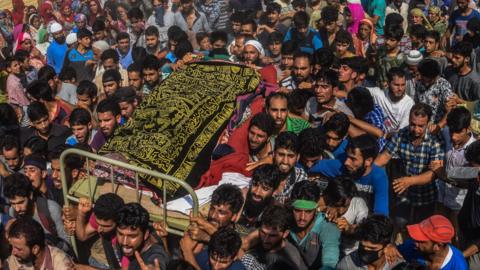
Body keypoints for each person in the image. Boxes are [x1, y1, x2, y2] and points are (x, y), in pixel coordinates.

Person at [375, 103, 445, 224]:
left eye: (420, 126)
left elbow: (433, 173)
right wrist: (368, 169)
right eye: (413, 124)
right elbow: (385, 156)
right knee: (399, 222)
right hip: (404, 193)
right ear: (409, 120)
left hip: (426, 195)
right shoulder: (402, 134)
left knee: (422, 229)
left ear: (428, 123)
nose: (416, 129)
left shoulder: (436, 140)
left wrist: (409, 181)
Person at [311, 134, 389, 216]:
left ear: (368, 161)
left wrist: (353, 227)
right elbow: (309, 165)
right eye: (347, 157)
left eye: (353, 159)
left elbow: (381, 215)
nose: (346, 162)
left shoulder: (379, 177)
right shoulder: (341, 166)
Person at [4, 173, 70, 244]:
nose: (17, 209)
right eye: (13, 204)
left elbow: (67, 243)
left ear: (30, 195)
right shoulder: (13, 212)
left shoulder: (51, 209)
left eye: (21, 202)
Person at [289, 180, 340, 269]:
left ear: (316, 208)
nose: (302, 217)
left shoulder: (328, 227)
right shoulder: (285, 219)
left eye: (308, 211)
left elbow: (330, 262)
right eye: (297, 210)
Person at [241, 204, 307, 269]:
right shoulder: (255, 235)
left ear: (285, 233)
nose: (265, 240)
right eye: (263, 232)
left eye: (272, 236)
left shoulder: (290, 258)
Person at [72, 193, 125, 269]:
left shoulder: (127, 236)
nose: (99, 229)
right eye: (98, 223)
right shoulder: (100, 217)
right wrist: (81, 213)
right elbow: (82, 236)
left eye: (106, 226)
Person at [397, 215, 468, 269]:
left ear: (437, 246)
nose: (415, 243)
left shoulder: (458, 266)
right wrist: (391, 247)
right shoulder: (412, 247)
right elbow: (395, 251)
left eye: (421, 241)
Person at [322, 176, 369, 255]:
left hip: (351, 253)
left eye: (345, 206)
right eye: (336, 205)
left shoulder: (358, 204)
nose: (341, 210)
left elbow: (362, 230)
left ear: (351, 197)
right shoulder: (325, 201)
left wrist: (349, 228)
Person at [337, 215, 404, 269]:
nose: (366, 250)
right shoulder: (348, 264)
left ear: (386, 247)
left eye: (372, 248)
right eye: (362, 246)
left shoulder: (399, 266)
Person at [115, 203, 170, 269]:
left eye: (132, 236)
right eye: (120, 234)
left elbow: (156, 264)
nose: (124, 242)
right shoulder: (129, 246)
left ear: (146, 234)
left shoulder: (157, 253)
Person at [5, 217, 74, 269]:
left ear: (35, 249)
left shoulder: (60, 263)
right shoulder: (15, 259)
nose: (13, 252)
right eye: (12, 246)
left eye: (18, 249)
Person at [368, 67, 414, 135]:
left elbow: (401, 131)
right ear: (388, 83)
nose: (400, 88)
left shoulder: (409, 103)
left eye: (403, 85)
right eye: (396, 85)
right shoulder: (378, 94)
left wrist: (384, 136)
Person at [413, 59, 453, 132]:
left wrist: (439, 125)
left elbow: (450, 110)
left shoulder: (443, 85)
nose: (426, 83)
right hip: (420, 125)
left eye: (429, 81)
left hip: (437, 128)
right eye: (424, 80)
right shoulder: (418, 84)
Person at [238, 164, 281, 231]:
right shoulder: (238, 197)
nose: (257, 192)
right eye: (255, 185)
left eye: (265, 189)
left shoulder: (275, 211)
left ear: (274, 191)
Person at [272, 132, 308, 204]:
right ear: (274, 154)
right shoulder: (263, 173)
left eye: (290, 156)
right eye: (281, 154)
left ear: (297, 157)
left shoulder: (301, 177)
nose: (285, 161)